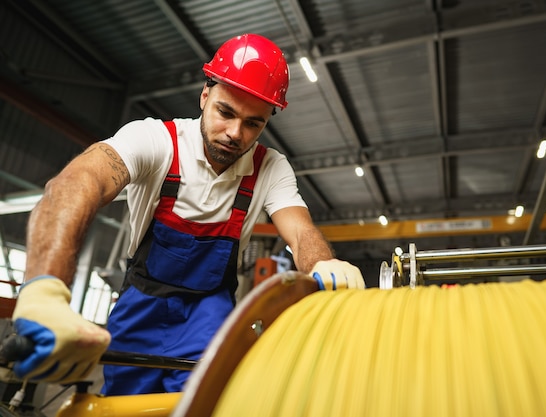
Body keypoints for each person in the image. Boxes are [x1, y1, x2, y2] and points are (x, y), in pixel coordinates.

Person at [10, 33, 365, 395]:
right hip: (140, 305)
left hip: (208, 313)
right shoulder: (155, 141)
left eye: (253, 123)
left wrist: (321, 263)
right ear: (205, 95)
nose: (234, 133)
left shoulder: (270, 168)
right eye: (225, 112)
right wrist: (45, 288)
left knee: (206, 399)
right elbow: (76, 185)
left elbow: (300, 230)